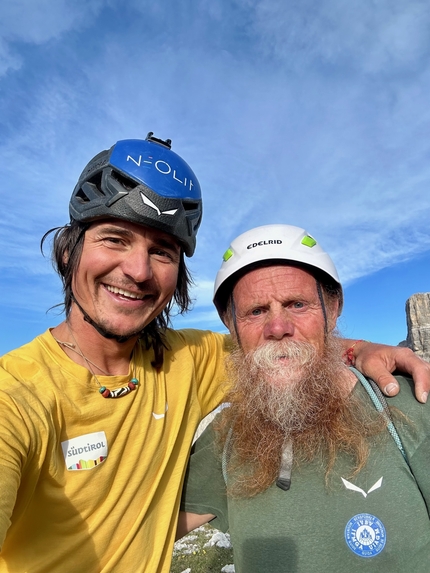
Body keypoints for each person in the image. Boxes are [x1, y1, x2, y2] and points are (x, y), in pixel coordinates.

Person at [0, 137, 427, 573]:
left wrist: (363, 348)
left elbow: (288, 347)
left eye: (161, 252)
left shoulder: (190, 358)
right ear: (69, 250)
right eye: (115, 239)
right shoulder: (14, 395)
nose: (138, 270)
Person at [178, 224, 430, 572]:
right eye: (255, 311)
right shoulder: (227, 435)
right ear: (229, 322)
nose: (277, 328)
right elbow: (145, 530)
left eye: (297, 304)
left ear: (334, 307)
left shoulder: (407, 405)